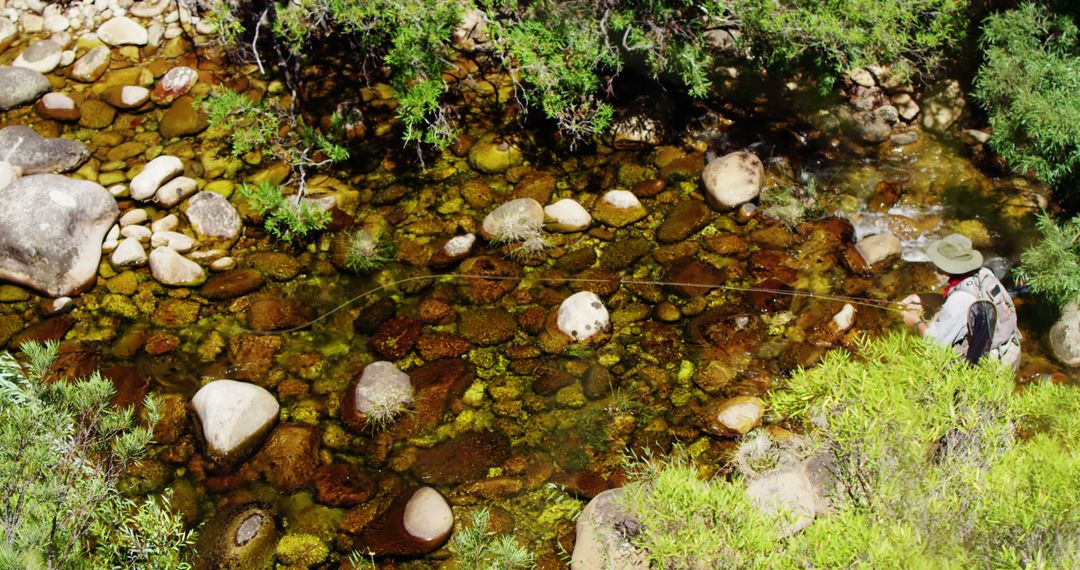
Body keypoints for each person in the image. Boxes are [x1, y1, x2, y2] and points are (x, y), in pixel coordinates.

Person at [899, 234, 1021, 372]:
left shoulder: (960, 300)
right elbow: (969, 304)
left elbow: (932, 344)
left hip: (992, 369)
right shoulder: (984, 273)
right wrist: (923, 298)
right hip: (1010, 351)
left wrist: (915, 322)